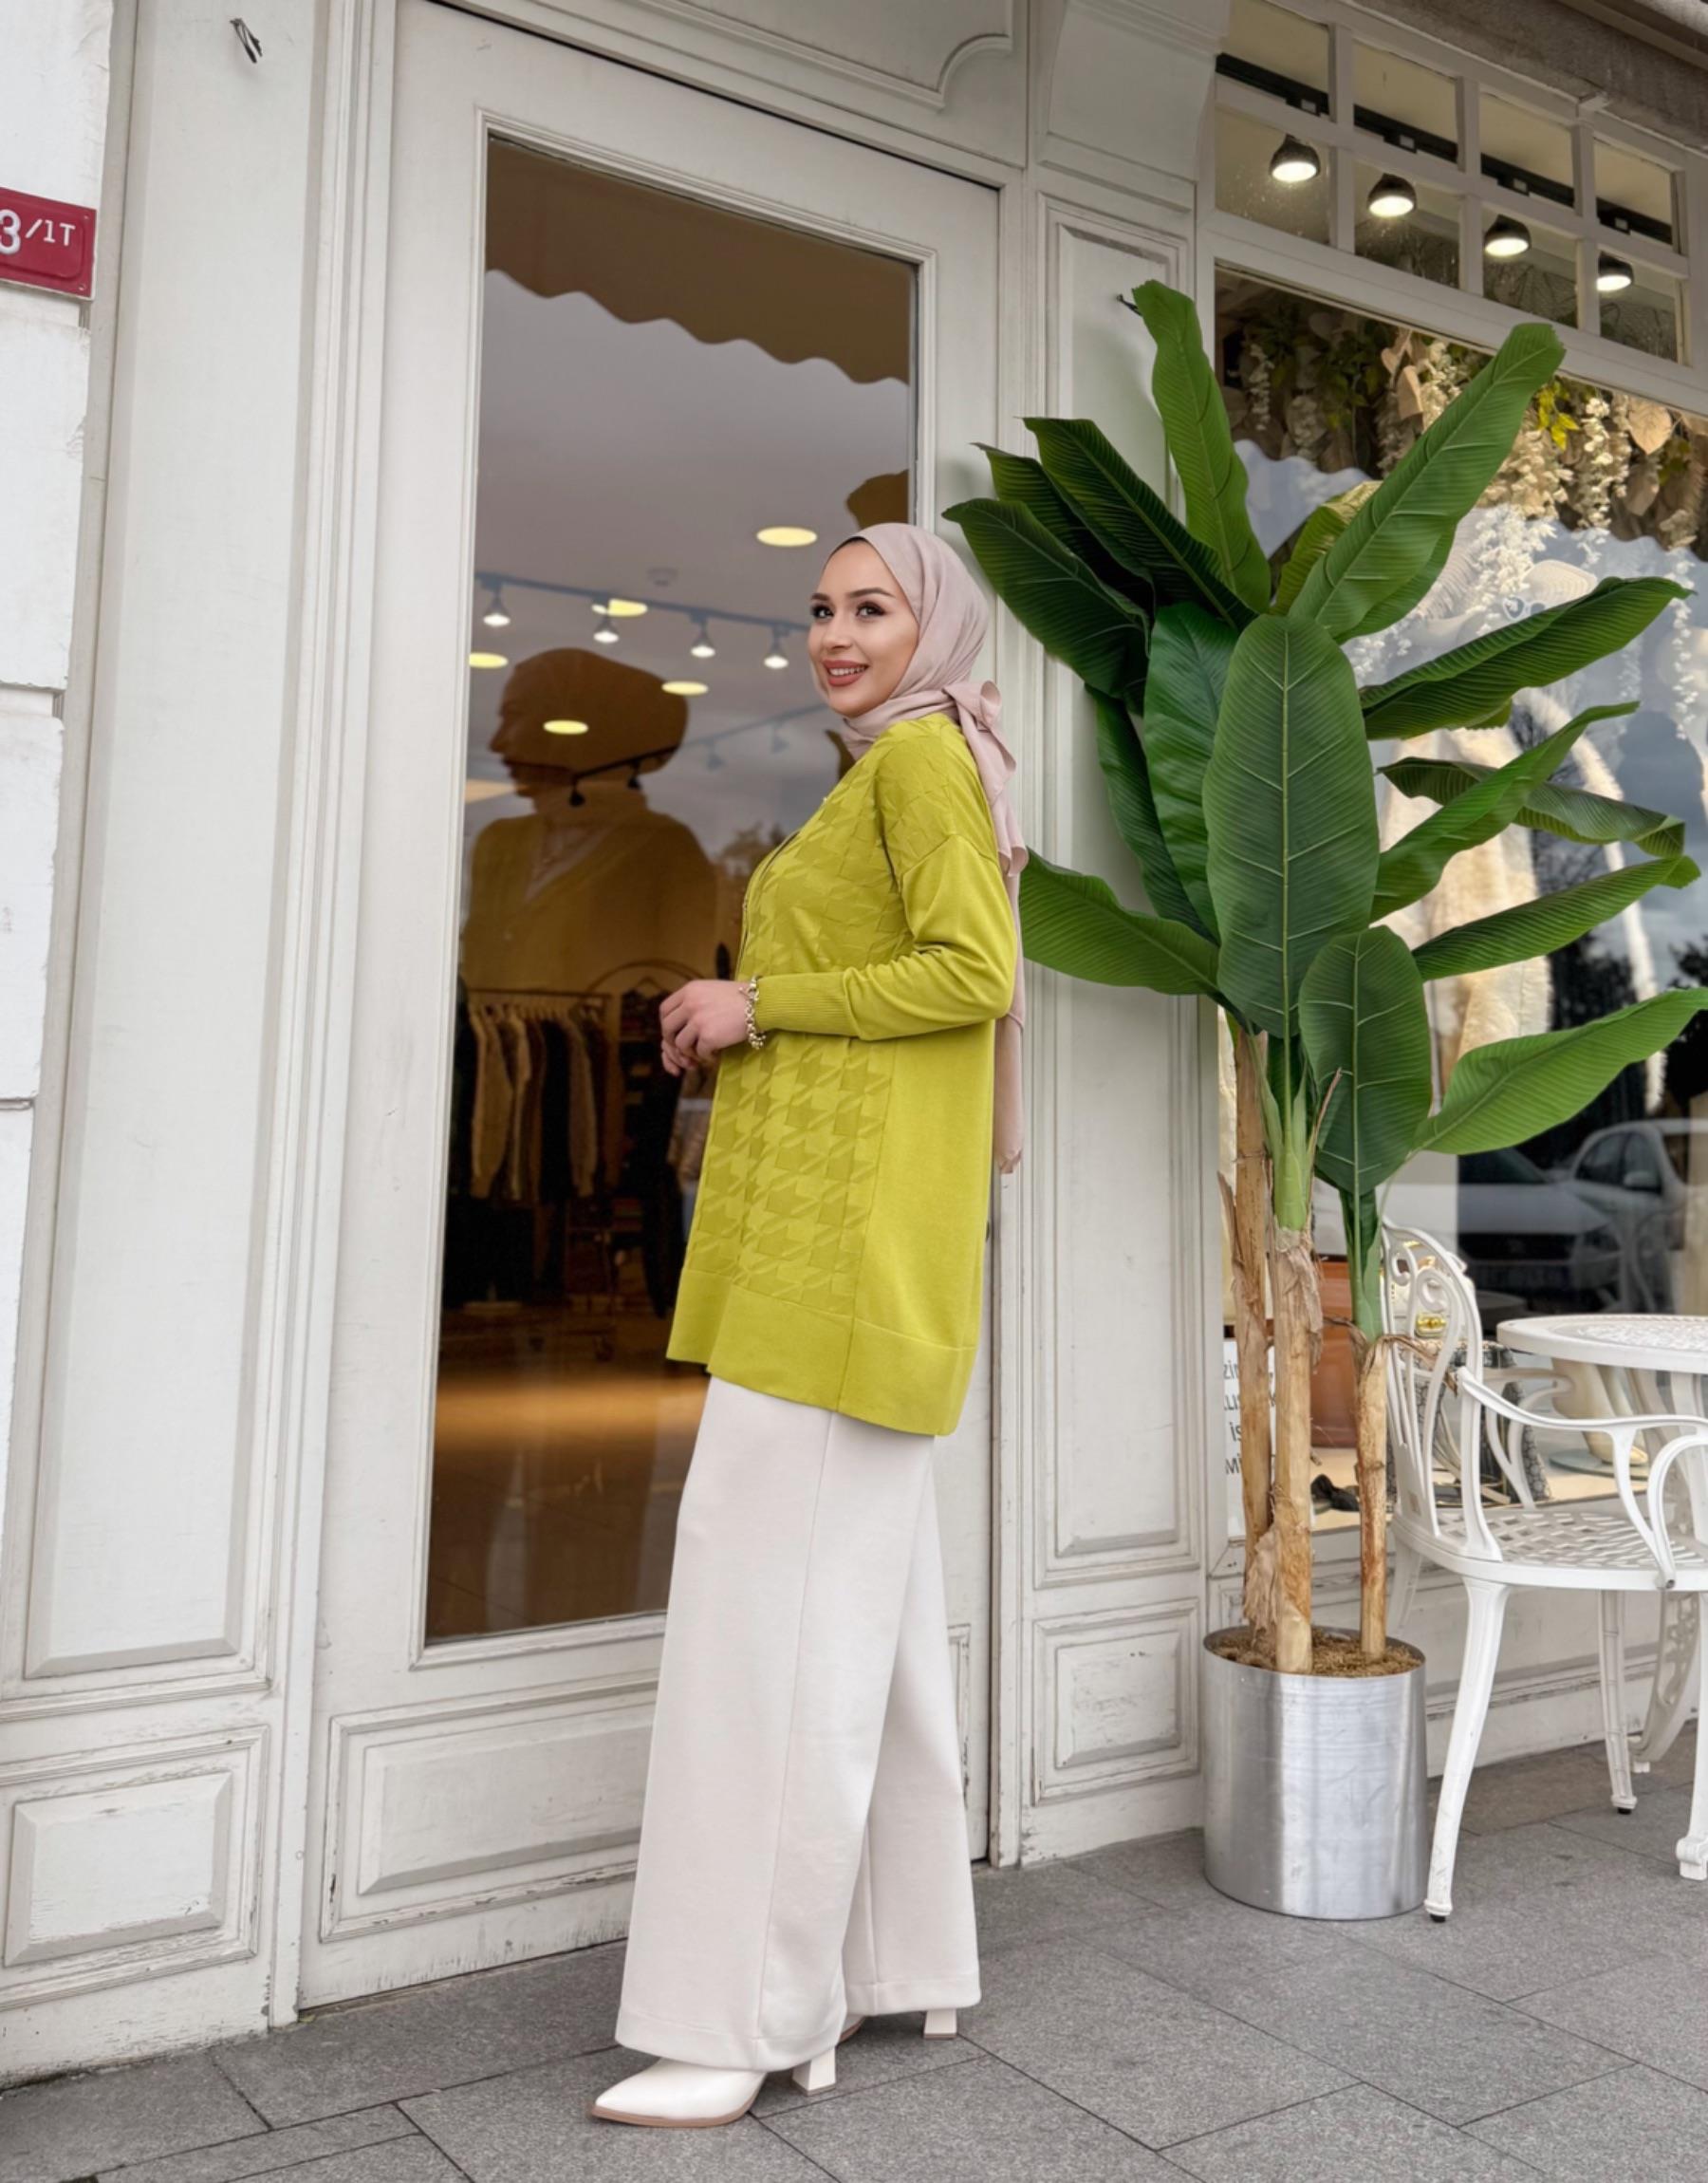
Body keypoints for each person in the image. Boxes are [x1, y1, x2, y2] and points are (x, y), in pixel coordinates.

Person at [590, 521, 1027, 2129]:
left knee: (761, 1639)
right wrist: (742, 1022)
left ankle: (743, 2022)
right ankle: (904, 1958)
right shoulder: (901, 766)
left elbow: (973, 971)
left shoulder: (917, 762)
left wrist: (754, 1003)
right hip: (835, 1247)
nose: (836, 635)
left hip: (841, 1262)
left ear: (937, 628)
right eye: (823, 610)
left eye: (872, 608)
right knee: (866, 1633)